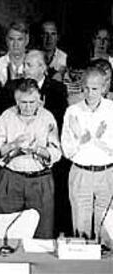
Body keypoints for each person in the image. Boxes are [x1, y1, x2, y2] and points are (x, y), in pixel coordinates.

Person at [0, 78, 61, 239]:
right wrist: (13, 145)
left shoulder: (47, 117)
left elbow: (57, 152)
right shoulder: (6, 116)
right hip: (11, 178)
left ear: (40, 100)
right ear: (16, 100)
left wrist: (38, 150)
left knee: (42, 232)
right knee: (6, 229)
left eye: (32, 102)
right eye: (23, 102)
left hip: (40, 180)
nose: (28, 107)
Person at [61, 67, 113, 241]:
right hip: (81, 172)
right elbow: (67, 150)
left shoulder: (111, 110)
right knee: (80, 223)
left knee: (105, 223)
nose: (90, 93)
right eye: (86, 88)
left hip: (106, 173)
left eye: (95, 89)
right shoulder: (73, 111)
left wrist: (97, 139)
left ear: (104, 88)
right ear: (81, 87)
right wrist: (83, 139)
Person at [0, 50, 68, 130]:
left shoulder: (58, 90)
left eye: (29, 65)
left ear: (42, 68)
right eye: (24, 65)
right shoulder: (10, 88)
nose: (24, 69)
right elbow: (3, 119)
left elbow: (61, 122)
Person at [0, 21, 29, 86]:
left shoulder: (33, 63)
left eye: (20, 39)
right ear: (6, 40)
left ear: (27, 40)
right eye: (11, 39)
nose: (15, 44)